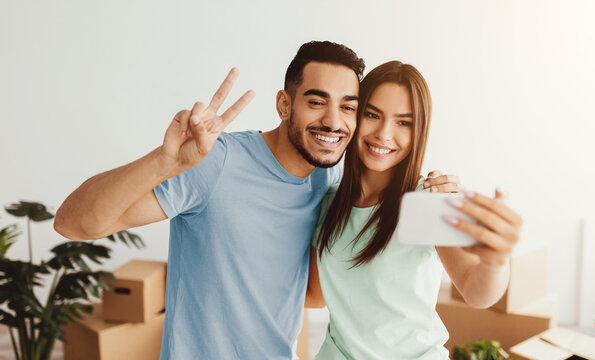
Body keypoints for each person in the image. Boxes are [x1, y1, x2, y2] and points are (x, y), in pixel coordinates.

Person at [54, 41, 366, 359]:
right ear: (284, 105)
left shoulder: (327, 181)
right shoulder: (214, 161)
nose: (333, 121)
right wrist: (163, 161)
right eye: (316, 102)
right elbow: (72, 224)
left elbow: (312, 296)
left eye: (348, 107)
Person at [306, 61, 523, 359]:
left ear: (419, 131)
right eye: (372, 115)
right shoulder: (329, 203)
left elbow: (476, 292)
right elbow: (314, 296)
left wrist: (495, 263)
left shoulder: (427, 199)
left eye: (403, 122)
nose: (384, 134)